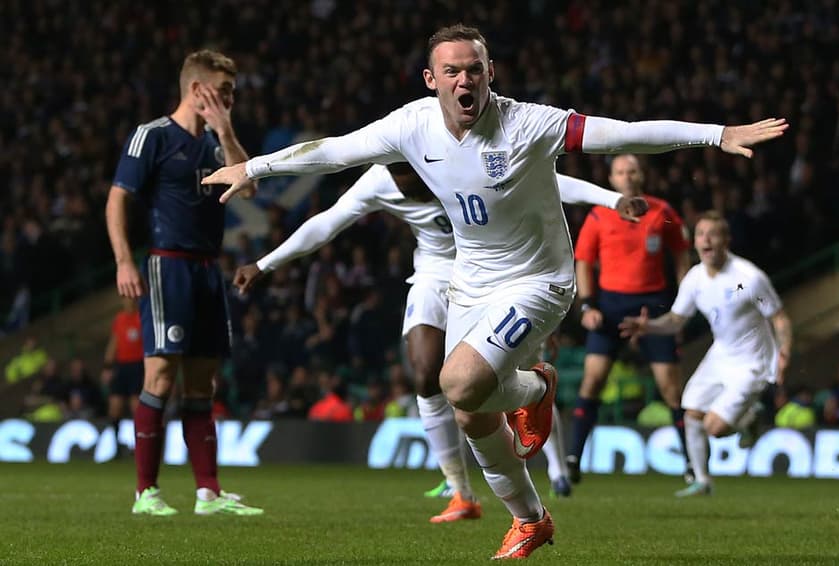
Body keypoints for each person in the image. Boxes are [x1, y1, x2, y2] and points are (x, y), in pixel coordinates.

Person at [203, 25, 786, 559]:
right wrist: (256, 168)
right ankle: (530, 518)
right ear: (432, 80)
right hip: (470, 282)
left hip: (539, 281)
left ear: (491, 72)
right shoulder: (410, 126)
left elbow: (621, 135)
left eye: (474, 69)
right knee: (470, 413)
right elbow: (333, 150)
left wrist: (717, 134)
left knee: (456, 380)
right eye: (452, 71)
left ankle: (535, 387)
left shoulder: (527, 123)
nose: (465, 80)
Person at [232, 161, 636, 523]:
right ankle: (460, 491)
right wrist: (266, 263)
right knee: (426, 374)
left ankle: (556, 468)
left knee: (514, 378)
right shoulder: (379, 181)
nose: (413, 189)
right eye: (403, 182)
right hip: (434, 275)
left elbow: (551, 182)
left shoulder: (460, 160)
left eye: (416, 179)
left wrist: (612, 199)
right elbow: (327, 222)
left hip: (495, 275)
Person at [105, 49, 262, 516]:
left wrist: (226, 130)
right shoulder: (151, 137)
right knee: (161, 374)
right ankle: (145, 493)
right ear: (198, 90)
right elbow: (117, 201)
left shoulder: (218, 142)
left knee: (202, 384)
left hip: (206, 269)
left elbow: (248, 186)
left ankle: (208, 494)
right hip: (165, 265)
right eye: (225, 91)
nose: (231, 98)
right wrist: (123, 262)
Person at [619, 211, 792, 497]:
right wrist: (647, 326)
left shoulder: (749, 278)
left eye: (713, 234)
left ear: (727, 240)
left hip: (753, 361)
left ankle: (750, 420)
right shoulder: (695, 278)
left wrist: (784, 351)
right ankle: (701, 480)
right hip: (720, 354)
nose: (706, 239)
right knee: (691, 414)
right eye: (701, 234)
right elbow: (676, 320)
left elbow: (779, 318)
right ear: (695, 242)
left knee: (713, 427)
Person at [567, 154, 694, 487]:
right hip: (610, 305)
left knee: (670, 388)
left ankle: (692, 465)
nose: (628, 176)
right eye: (621, 171)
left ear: (643, 175)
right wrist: (588, 306)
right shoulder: (598, 214)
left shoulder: (662, 211)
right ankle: (572, 459)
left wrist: (684, 302)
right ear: (612, 179)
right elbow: (583, 262)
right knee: (592, 380)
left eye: (633, 170)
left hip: (653, 304)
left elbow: (682, 255)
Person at [101, 297, 145, 454]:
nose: (129, 302)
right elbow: (114, 342)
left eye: (132, 299)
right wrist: (107, 366)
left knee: (137, 407)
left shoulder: (142, 317)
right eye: (126, 299)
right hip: (121, 367)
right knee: (115, 407)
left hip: (138, 366)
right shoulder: (119, 319)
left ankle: (141, 446)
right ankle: (116, 446)